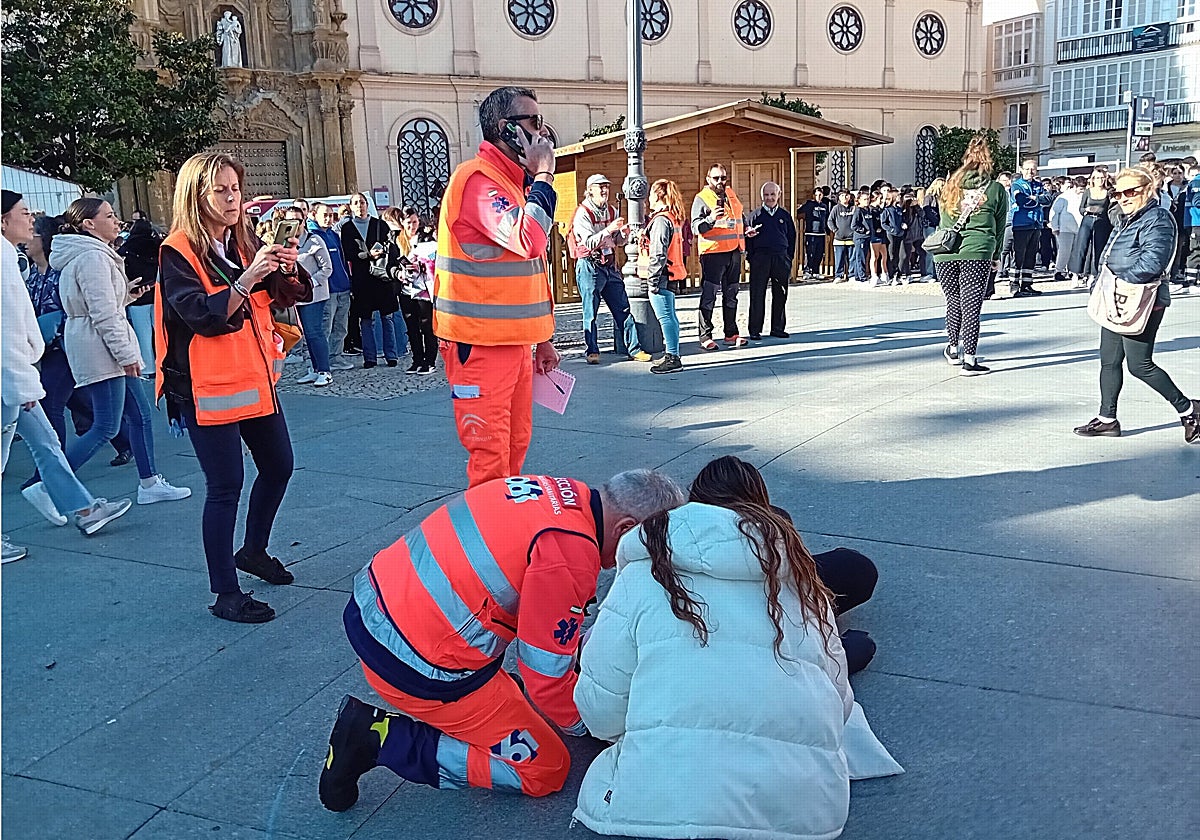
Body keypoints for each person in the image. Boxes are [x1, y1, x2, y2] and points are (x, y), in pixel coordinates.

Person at [572, 456, 901, 840]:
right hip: (802, 812)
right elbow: (838, 709)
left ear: (691, 506)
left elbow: (600, 714)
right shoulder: (806, 587)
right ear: (762, 509)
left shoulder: (644, 576)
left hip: (656, 804)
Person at [318, 469, 687, 809]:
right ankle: (379, 739)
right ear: (625, 528)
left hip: (375, 610)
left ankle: (486, 703)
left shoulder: (556, 491)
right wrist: (592, 724)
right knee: (546, 768)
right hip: (415, 668)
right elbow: (545, 679)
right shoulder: (570, 552)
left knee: (520, 690)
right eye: (647, 549)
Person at [156, 152, 312, 623]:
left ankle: (254, 550)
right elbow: (201, 315)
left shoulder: (243, 241)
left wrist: (286, 268)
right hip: (204, 387)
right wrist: (248, 278)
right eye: (221, 190)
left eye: (236, 189)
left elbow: (290, 295)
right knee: (225, 487)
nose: (232, 199)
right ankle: (225, 592)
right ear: (195, 196)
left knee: (279, 466)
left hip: (254, 379)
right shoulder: (177, 251)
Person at [433, 85, 561, 488]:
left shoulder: (510, 184)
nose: (543, 132)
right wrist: (544, 175)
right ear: (506, 129)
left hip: (511, 342)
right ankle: (486, 527)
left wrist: (541, 339)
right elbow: (529, 240)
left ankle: (505, 521)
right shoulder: (477, 181)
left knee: (514, 449)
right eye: (534, 121)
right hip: (480, 344)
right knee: (490, 458)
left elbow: (525, 270)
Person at [2, 190, 133, 558]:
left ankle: (85, 510)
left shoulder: (9, 259)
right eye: (23, 213)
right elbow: (6, 331)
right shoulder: (5, 262)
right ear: (3, 221)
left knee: (46, 443)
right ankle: (83, 509)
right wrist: (21, 381)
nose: (31, 218)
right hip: (11, 376)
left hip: (15, 374)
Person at [51, 198, 191, 507]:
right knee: (107, 425)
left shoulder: (86, 254)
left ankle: (149, 482)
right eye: (110, 215)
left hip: (97, 344)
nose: (117, 221)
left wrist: (126, 296)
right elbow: (102, 314)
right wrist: (126, 354)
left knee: (135, 416)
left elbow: (97, 306)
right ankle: (48, 482)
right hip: (102, 348)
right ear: (89, 224)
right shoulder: (92, 257)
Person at [1072, 166, 1198, 443]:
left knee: (1140, 365)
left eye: (1130, 192)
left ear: (1147, 190)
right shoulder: (1126, 218)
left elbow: (1153, 262)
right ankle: (1107, 419)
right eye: (1118, 193)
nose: (1123, 198)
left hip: (1142, 299)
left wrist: (1120, 280)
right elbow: (1108, 253)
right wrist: (1102, 281)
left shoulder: (1158, 219)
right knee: (1109, 360)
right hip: (1116, 296)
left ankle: (1190, 410)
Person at [933, 136, 1009, 377]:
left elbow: (942, 218)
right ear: (988, 163)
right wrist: (996, 254)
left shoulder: (949, 186)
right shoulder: (995, 189)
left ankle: (953, 348)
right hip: (978, 250)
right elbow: (1000, 226)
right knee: (972, 305)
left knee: (953, 300)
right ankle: (970, 359)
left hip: (945, 252)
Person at [571, 174, 648, 365]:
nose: (605, 190)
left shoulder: (611, 210)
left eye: (606, 186)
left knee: (623, 308)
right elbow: (589, 243)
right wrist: (609, 230)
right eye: (600, 187)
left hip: (609, 264)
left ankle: (634, 349)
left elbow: (616, 242)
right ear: (590, 190)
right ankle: (592, 351)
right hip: (590, 265)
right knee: (590, 311)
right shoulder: (583, 213)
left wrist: (623, 235)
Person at [691, 164, 754, 349]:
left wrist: (747, 229)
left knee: (732, 294)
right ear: (708, 179)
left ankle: (731, 333)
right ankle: (705, 336)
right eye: (716, 178)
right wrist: (711, 219)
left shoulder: (731, 194)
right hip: (713, 253)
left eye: (723, 178)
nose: (720, 181)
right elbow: (696, 227)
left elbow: (740, 218)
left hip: (733, 251)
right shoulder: (701, 198)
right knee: (709, 295)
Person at [376, 206, 439, 375]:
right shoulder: (395, 240)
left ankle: (429, 361)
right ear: (402, 223)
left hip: (424, 290)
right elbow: (389, 266)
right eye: (409, 223)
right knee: (411, 326)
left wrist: (424, 266)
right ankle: (417, 359)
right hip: (405, 289)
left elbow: (436, 259)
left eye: (415, 222)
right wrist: (398, 273)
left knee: (427, 325)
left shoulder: (426, 238)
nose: (412, 226)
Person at [341, 193, 400, 368]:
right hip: (362, 279)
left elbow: (391, 247)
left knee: (387, 317)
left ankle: (391, 355)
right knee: (366, 320)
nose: (360, 206)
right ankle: (370, 357)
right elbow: (348, 253)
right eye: (356, 203)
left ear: (367, 205)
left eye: (362, 202)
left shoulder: (379, 224)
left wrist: (382, 253)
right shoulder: (347, 228)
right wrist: (367, 255)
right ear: (351, 207)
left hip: (381, 277)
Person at [638, 178, 687, 374]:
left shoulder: (660, 220)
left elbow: (658, 253)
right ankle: (673, 354)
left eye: (651, 193)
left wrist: (652, 280)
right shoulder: (672, 217)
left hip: (662, 275)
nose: (648, 198)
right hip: (671, 273)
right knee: (670, 316)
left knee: (665, 317)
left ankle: (673, 357)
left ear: (659, 196)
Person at [288, 205, 334, 387]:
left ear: (304, 221)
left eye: (298, 221)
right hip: (297, 296)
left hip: (314, 295)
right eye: (290, 221)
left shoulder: (314, 241)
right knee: (307, 334)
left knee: (315, 332)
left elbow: (327, 268)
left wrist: (311, 283)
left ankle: (324, 371)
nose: (294, 225)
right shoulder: (285, 243)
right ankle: (315, 369)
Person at [745, 180, 795, 339]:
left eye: (773, 194)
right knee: (757, 294)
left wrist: (789, 258)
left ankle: (777, 328)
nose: (769, 198)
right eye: (766, 195)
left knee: (780, 293)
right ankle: (755, 330)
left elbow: (792, 237)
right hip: (760, 259)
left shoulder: (785, 216)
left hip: (781, 258)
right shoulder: (755, 216)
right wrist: (751, 258)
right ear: (762, 196)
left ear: (779, 195)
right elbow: (748, 240)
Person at [309, 203, 356, 371]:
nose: (329, 219)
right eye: (325, 215)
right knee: (325, 327)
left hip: (343, 287)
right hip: (327, 290)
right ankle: (323, 360)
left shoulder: (333, 234)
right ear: (314, 215)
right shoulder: (312, 236)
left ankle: (336, 356)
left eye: (331, 215)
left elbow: (342, 260)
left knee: (341, 327)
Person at [117, 215, 162, 376]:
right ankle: (164, 363)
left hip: (137, 295)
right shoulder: (158, 246)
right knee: (161, 333)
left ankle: (148, 368)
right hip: (157, 293)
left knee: (143, 335)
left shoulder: (126, 248)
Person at [1007, 158, 1053, 297]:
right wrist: (1038, 199)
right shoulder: (1017, 185)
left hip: (1036, 224)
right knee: (1018, 256)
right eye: (1027, 169)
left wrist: (1035, 198)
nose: (1030, 172)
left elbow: (1048, 199)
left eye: (1033, 169)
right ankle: (1014, 285)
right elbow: (1022, 201)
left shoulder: (1039, 185)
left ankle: (1027, 285)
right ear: (1021, 170)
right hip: (1021, 224)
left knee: (1031, 256)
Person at [1050, 177, 1085, 286]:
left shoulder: (1084, 196)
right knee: (1064, 250)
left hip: (1080, 228)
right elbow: (1054, 212)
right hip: (1065, 228)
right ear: (1074, 186)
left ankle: (1073, 271)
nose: (1082, 191)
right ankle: (1059, 270)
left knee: (1076, 251)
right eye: (1080, 189)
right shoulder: (1064, 197)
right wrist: (1055, 227)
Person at [797, 186, 831, 277]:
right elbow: (799, 211)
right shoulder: (809, 204)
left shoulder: (824, 206)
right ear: (813, 196)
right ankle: (808, 270)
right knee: (810, 253)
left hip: (821, 233)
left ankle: (815, 271)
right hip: (811, 233)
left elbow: (826, 219)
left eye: (820, 195)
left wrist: (827, 232)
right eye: (816, 195)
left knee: (819, 253)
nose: (818, 197)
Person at [829, 190, 856, 282]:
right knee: (839, 259)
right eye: (842, 195)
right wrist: (835, 230)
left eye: (846, 195)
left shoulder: (853, 208)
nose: (845, 197)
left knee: (852, 258)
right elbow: (830, 221)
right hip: (839, 239)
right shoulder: (836, 208)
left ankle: (851, 275)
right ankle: (838, 275)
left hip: (851, 238)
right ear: (839, 197)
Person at [1184, 158, 1200, 294]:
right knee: (1195, 251)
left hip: (1195, 222)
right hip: (1196, 222)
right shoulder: (1197, 182)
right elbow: (1197, 201)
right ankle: (1191, 281)